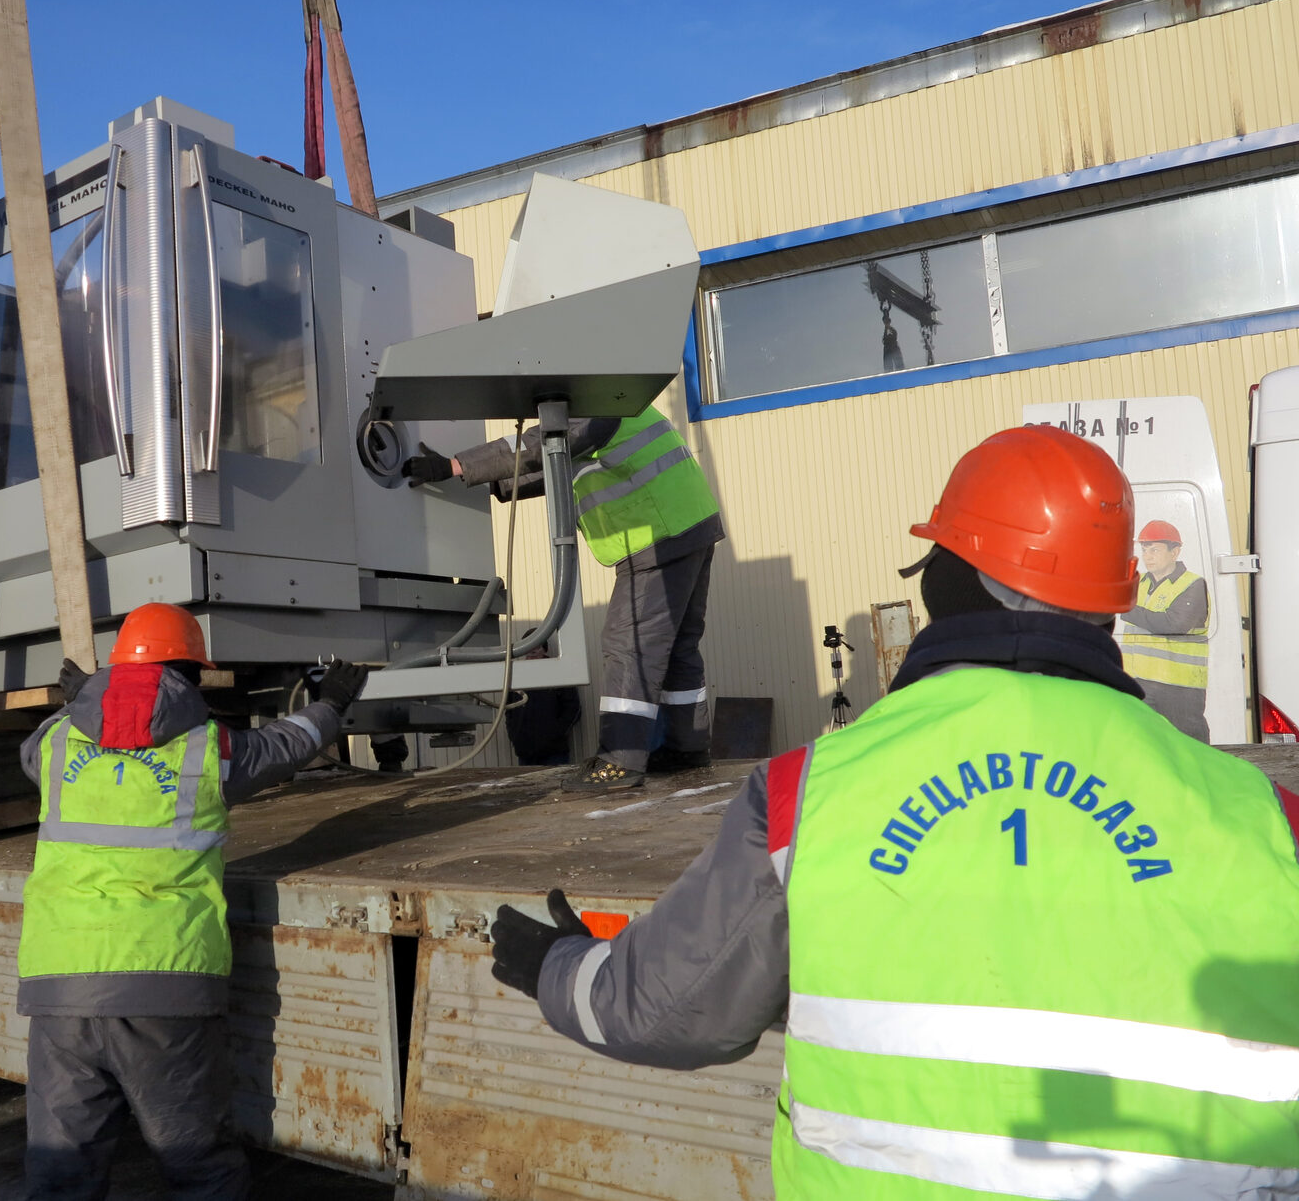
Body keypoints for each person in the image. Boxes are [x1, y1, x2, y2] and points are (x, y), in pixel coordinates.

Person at [489, 425, 1299, 1198]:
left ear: (968, 579)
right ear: (1108, 598)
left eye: (940, 553)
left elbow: (663, 1008)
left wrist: (557, 965)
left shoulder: (811, 795)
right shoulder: (1267, 819)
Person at [17, 603, 369, 1201]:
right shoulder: (210, 748)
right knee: (197, 1165)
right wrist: (331, 706)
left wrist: (81, 702)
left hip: (60, 985)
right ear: (189, 672)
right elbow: (284, 746)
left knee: (61, 1172)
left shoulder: (53, 742)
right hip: (165, 982)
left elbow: (37, 750)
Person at [404, 406, 722, 793]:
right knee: (677, 648)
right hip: (689, 523)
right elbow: (556, 465)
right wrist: (488, 481)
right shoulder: (620, 394)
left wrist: (456, 465)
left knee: (629, 645)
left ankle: (621, 761)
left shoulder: (596, 398)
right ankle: (687, 749)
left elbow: (542, 444)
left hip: (658, 531)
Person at [1120, 518, 1211, 741]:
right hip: (1138, 681)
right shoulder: (1138, 583)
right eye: (1144, 549)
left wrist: (1124, 607)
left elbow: (1173, 624)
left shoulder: (1193, 585)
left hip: (1178, 688)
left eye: (1155, 549)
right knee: (1145, 744)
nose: (1147, 555)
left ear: (1175, 552)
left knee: (1188, 746)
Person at [505, 643, 582, 767]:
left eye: (536, 646)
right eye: (528, 646)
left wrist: (555, 734)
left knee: (555, 785)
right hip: (525, 752)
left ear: (544, 650)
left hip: (553, 753)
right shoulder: (517, 674)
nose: (532, 650)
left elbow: (573, 708)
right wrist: (515, 734)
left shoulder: (558, 672)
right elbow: (509, 708)